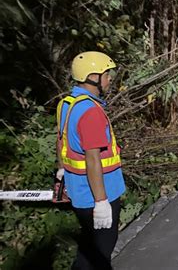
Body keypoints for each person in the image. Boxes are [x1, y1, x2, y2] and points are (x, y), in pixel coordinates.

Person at [56, 51, 126, 269]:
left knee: (89, 247)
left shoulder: (67, 104)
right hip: (98, 193)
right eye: (106, 74)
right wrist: (102, 202)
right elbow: (93, 159)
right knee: (101, 252)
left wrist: (61, 170)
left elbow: (61, 140)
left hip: (79, 192)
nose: (110, 79)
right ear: (92, 76)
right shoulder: (90, 112)